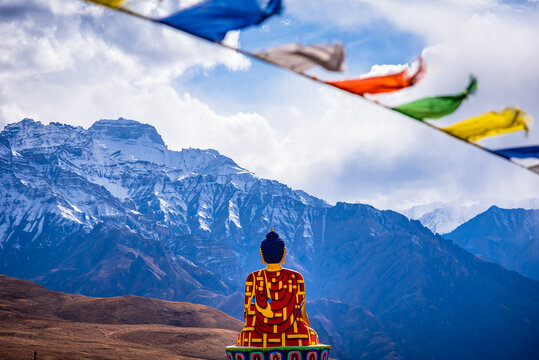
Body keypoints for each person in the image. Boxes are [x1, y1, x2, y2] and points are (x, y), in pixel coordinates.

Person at [236, 229, 319, 347]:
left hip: (258, 336)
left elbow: (247, 314)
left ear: (261, 253)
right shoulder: (296, 277)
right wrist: (307, 329)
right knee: (311, 335)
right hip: (294, 334)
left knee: (245, 337)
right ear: (284, 252)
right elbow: (302, 313)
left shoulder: (253, 278)